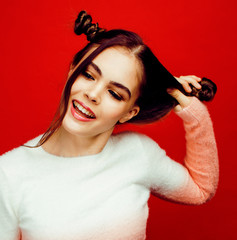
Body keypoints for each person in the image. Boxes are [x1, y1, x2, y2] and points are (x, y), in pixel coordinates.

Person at [0, 10, 218, 240]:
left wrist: (195, 115)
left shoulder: (138, 153)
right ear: (73, 69)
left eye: (114, 93)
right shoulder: (9, 172)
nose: (92, 94)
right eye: (89, 75)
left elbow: (200, 190)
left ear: (129, 113)